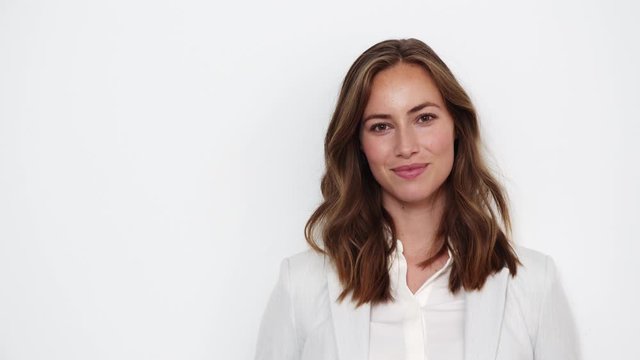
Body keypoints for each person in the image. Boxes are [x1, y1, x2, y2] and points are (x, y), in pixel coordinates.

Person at [254, 38, 580, 360]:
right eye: (381, 126)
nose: (406, 146)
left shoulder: (533, 284)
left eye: (424, 118)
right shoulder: (301, 288)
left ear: (457, 126)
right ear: (358, 145)